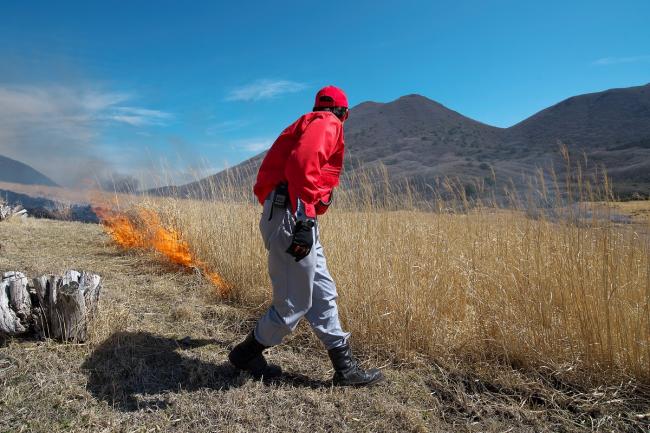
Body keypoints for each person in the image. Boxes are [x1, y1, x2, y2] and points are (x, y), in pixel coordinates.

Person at [228, 85, 384, 387]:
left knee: (323, 291)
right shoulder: (329, 123)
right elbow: (301, 167)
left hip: (294, 214)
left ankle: (345, 367)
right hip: (295, 217)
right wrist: (305, 219)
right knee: (292, 305)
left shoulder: (309, 122)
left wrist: (304, 216)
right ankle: (245, 355)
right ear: (344, 112)